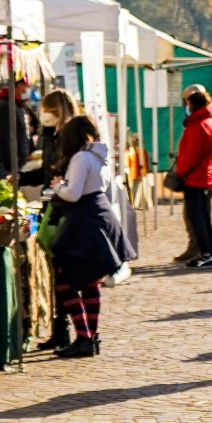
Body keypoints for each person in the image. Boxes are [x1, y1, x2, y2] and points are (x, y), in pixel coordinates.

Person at [46, 115, 130, 358]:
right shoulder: (99, 155)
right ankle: (90, 337)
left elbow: (73, 193)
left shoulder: (81, 157)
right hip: (98, 214)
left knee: (66, 281)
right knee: (90, 280)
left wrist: (58, 185)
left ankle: (84, 336)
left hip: (85, 220)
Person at [174, 86, 212, 267]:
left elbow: (190, 154)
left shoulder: (198, 124)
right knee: (204, 216)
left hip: (194, 177)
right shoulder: (210, 121)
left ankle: (206, 252)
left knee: (196, 217)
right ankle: (209, 252)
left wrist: (181, 173)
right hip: (204, 175)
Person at [0, 78, 34, 180]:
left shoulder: (16, 105)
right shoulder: (6, 107)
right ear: (18, 86)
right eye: (25, 86)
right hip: (6, 164)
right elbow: (3, 137)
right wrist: (11, 163)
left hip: (13, 162)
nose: (25, 90)